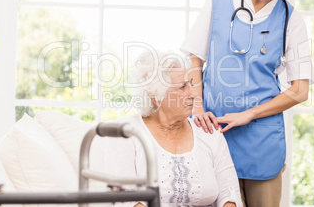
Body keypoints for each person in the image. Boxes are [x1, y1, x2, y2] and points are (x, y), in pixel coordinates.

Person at [180, 0, 314, 207]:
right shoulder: (218, 0)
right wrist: (197, 107)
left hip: (261, 142)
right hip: (212, 131)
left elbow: (300, 90)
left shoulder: (291, 19)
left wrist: (249, 114)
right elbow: (194, 58)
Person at [104, 50, 242, 206]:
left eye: (191, 84)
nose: (193, 94)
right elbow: (126, 199)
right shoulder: (125, 133)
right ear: (156, 96)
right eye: (182, 87)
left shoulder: (208, 132)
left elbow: (230, 194)